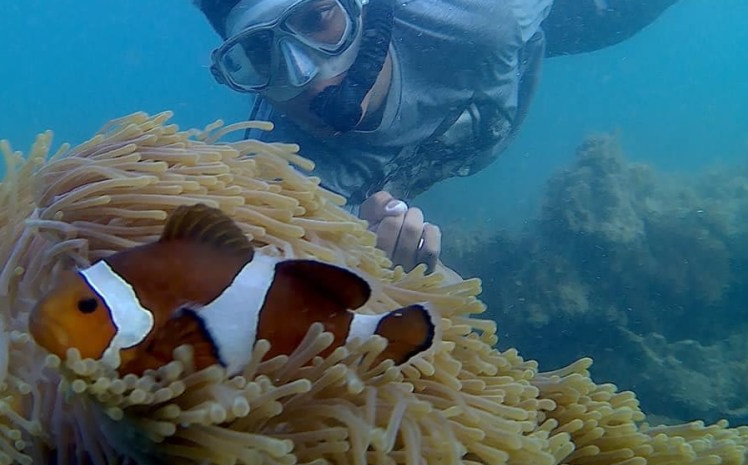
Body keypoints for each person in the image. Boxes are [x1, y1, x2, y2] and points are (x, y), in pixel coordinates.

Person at [193, 0, 679, 275]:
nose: (304, 73)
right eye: (257, 55)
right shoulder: (283, 176)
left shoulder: (485, 15)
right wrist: (395, 275)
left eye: (319, 17)